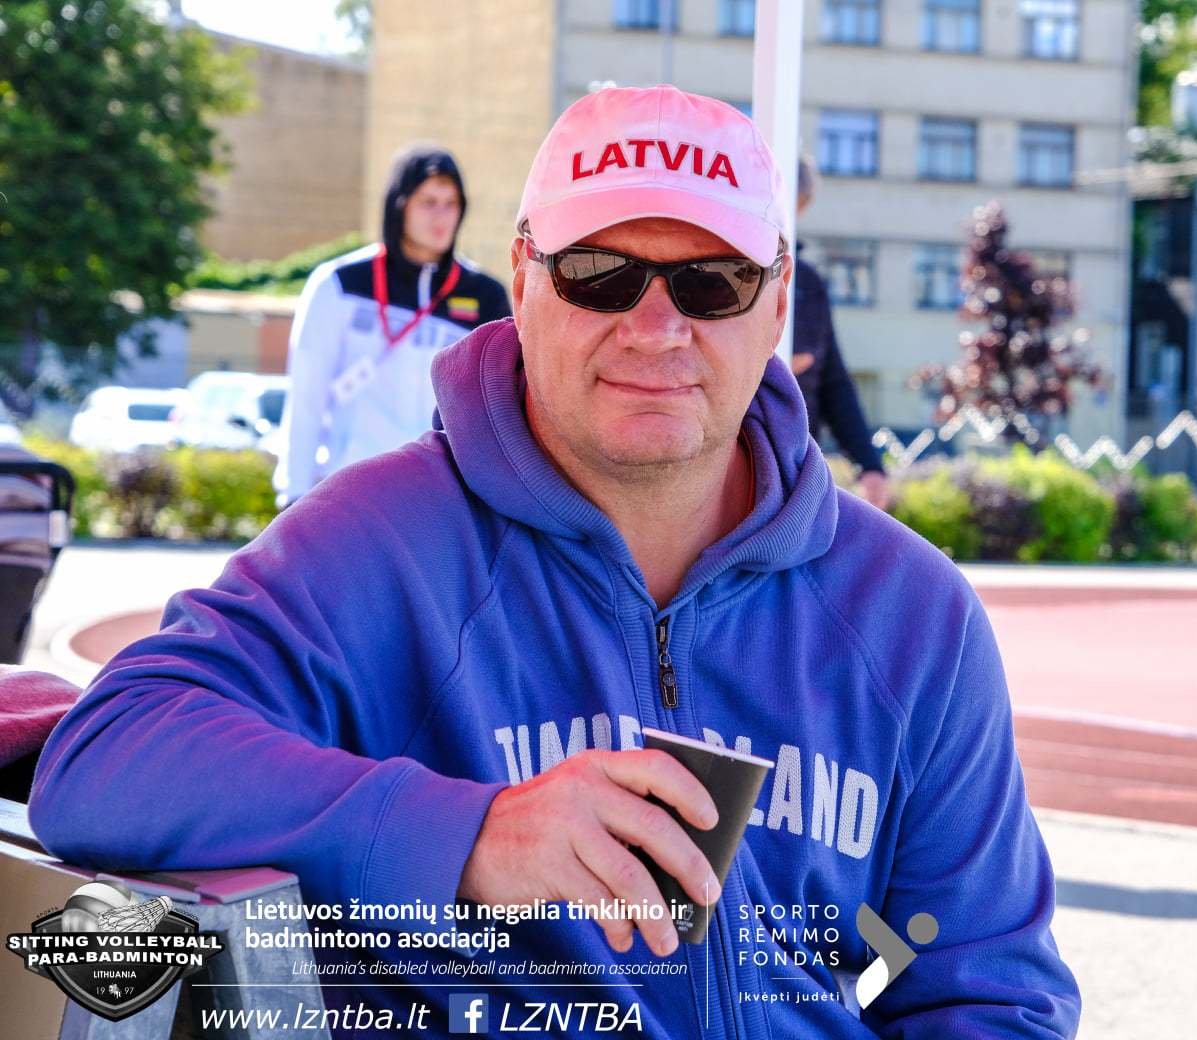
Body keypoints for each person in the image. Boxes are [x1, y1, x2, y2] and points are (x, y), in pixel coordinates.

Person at [30, 85, 1081, 1037]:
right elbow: (110, 752)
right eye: (600, 275)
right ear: (525, 281)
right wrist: (471, 835)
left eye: (712, 282)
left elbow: (990, 988)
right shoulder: (382, 543)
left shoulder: (912, 613)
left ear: (777, 303)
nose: (656, 328)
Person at [272, 144, 511, 507]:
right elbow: (307, 394)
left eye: (451, 203)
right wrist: (294, 493)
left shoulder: (485, 295)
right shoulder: (339, 284)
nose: (441, 216)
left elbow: (496, 412)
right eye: (428, 202)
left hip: (439, 500)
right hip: (349, 493)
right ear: (400, 205)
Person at [791, 153, 891, 510]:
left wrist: (870, 465)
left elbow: (834, 382)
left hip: (793, 471)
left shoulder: (807, 283)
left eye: (796, 206)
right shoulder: (719, 273)